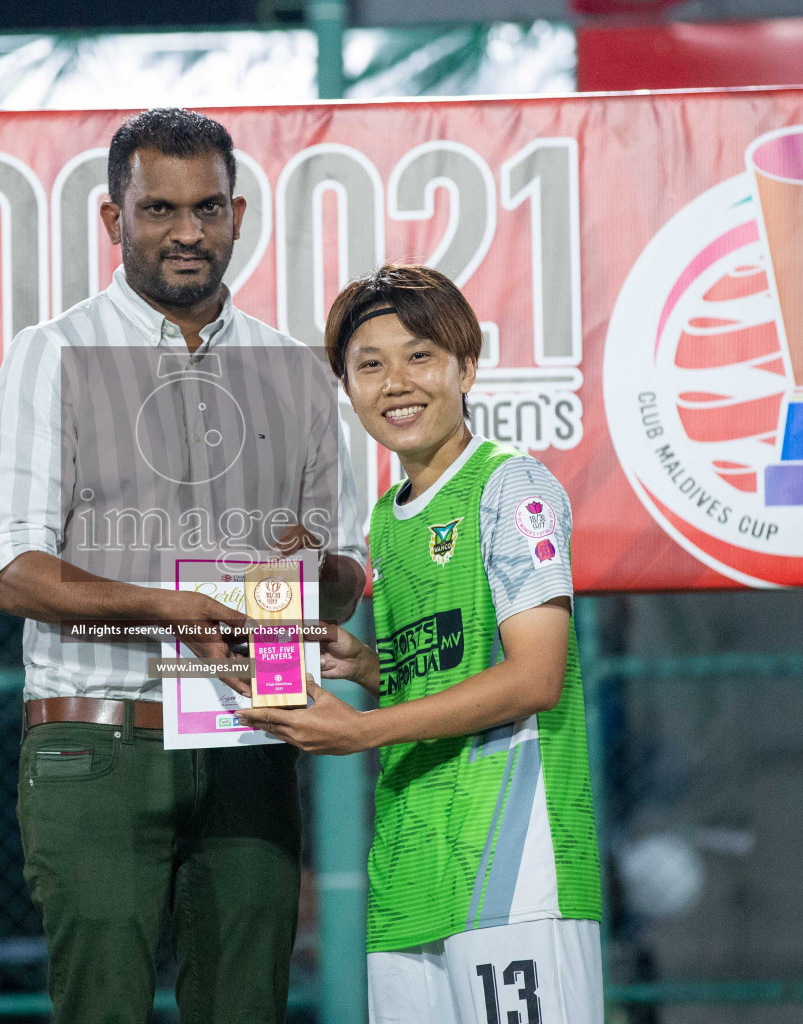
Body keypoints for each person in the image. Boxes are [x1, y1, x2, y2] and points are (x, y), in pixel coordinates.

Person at [0, 108, 366, 1023]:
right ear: (115, 222)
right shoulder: (53, 355)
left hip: (251, 733)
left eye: (208, 208)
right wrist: (175, 609)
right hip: (98, 742)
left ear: (237, 214)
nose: (187, 232)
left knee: (247, 1008)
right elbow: (14, 572)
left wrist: (319, 575)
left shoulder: (297, 370)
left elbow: (345, 570)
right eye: (159, 209)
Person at [240, 264, 604, 1024]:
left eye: (420, 356)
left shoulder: (513, 488)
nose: (396, 382)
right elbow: (449, 668)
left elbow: (535, 677)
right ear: (347, 386)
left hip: (514, 867)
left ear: (465, 367)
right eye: (370, 364)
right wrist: (373, 668)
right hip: (412, 867)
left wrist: (363, 729)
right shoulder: (385, 520)